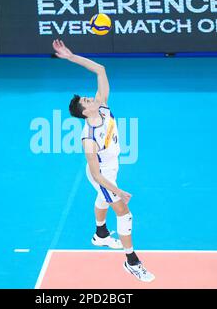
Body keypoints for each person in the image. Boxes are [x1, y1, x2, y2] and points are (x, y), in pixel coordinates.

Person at [52, 39, 155, 282]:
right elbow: (97, 176)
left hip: (111, 170)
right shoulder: (88, 138)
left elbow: (100, 70)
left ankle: (100, 235)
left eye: (88, 98)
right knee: (124, 213)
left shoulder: (104, 108)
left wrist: (71, 57)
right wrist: (119, 191)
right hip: (104, 176)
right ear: (85, 112)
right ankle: (131, 261)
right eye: (86, 101)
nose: (90, 98)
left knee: (102, 199)